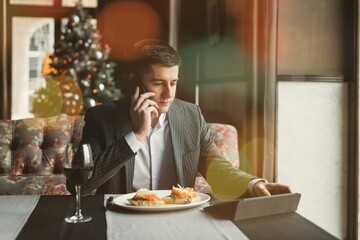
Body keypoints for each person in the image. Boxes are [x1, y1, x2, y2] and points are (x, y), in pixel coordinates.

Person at [67, 39, 291, 199]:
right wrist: (136, 136)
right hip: (120, 220)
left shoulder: (191, 115)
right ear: (134, 81)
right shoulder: (101, 118)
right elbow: (80, 185)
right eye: (158, 83)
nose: (169, 94)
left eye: (173, 83)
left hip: (178, 219)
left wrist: (254, 184)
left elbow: (219, 170)